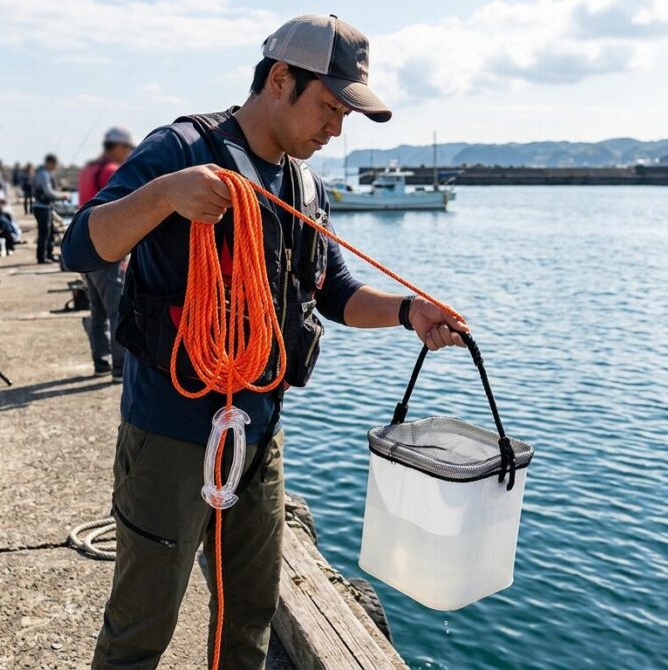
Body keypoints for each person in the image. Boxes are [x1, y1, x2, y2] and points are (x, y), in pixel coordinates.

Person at [61, 15, 467, 670]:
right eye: (330, 108)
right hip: (171, 433)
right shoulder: (182, 150)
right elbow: (81, 245)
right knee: (143, 626)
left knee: (250, 611)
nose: (336, 129)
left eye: (345, 116)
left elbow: (333, 292)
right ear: (281, 79)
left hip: (259, 436)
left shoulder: (305, 185)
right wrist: (166, 195)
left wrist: (408, 311)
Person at [77, 127, 137, 379]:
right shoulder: (112, 171)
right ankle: (119, 367)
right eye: (127, 149)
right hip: (107, 253)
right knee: (116, 310)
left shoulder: (88, 170)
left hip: (85, 251)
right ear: (118, 148)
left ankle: (100, 361)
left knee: (97, 310)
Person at [32, 153, 70, 264]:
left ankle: (49, 254)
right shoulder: (44, 175)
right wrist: (62, 196)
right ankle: (42, 257)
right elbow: (48, 192)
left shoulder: (42, 173)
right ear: (49, 163)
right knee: (44, 233)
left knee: (50, 232)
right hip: (42, 207)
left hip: (44, 206)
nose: (55, 167)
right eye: (54, 165)